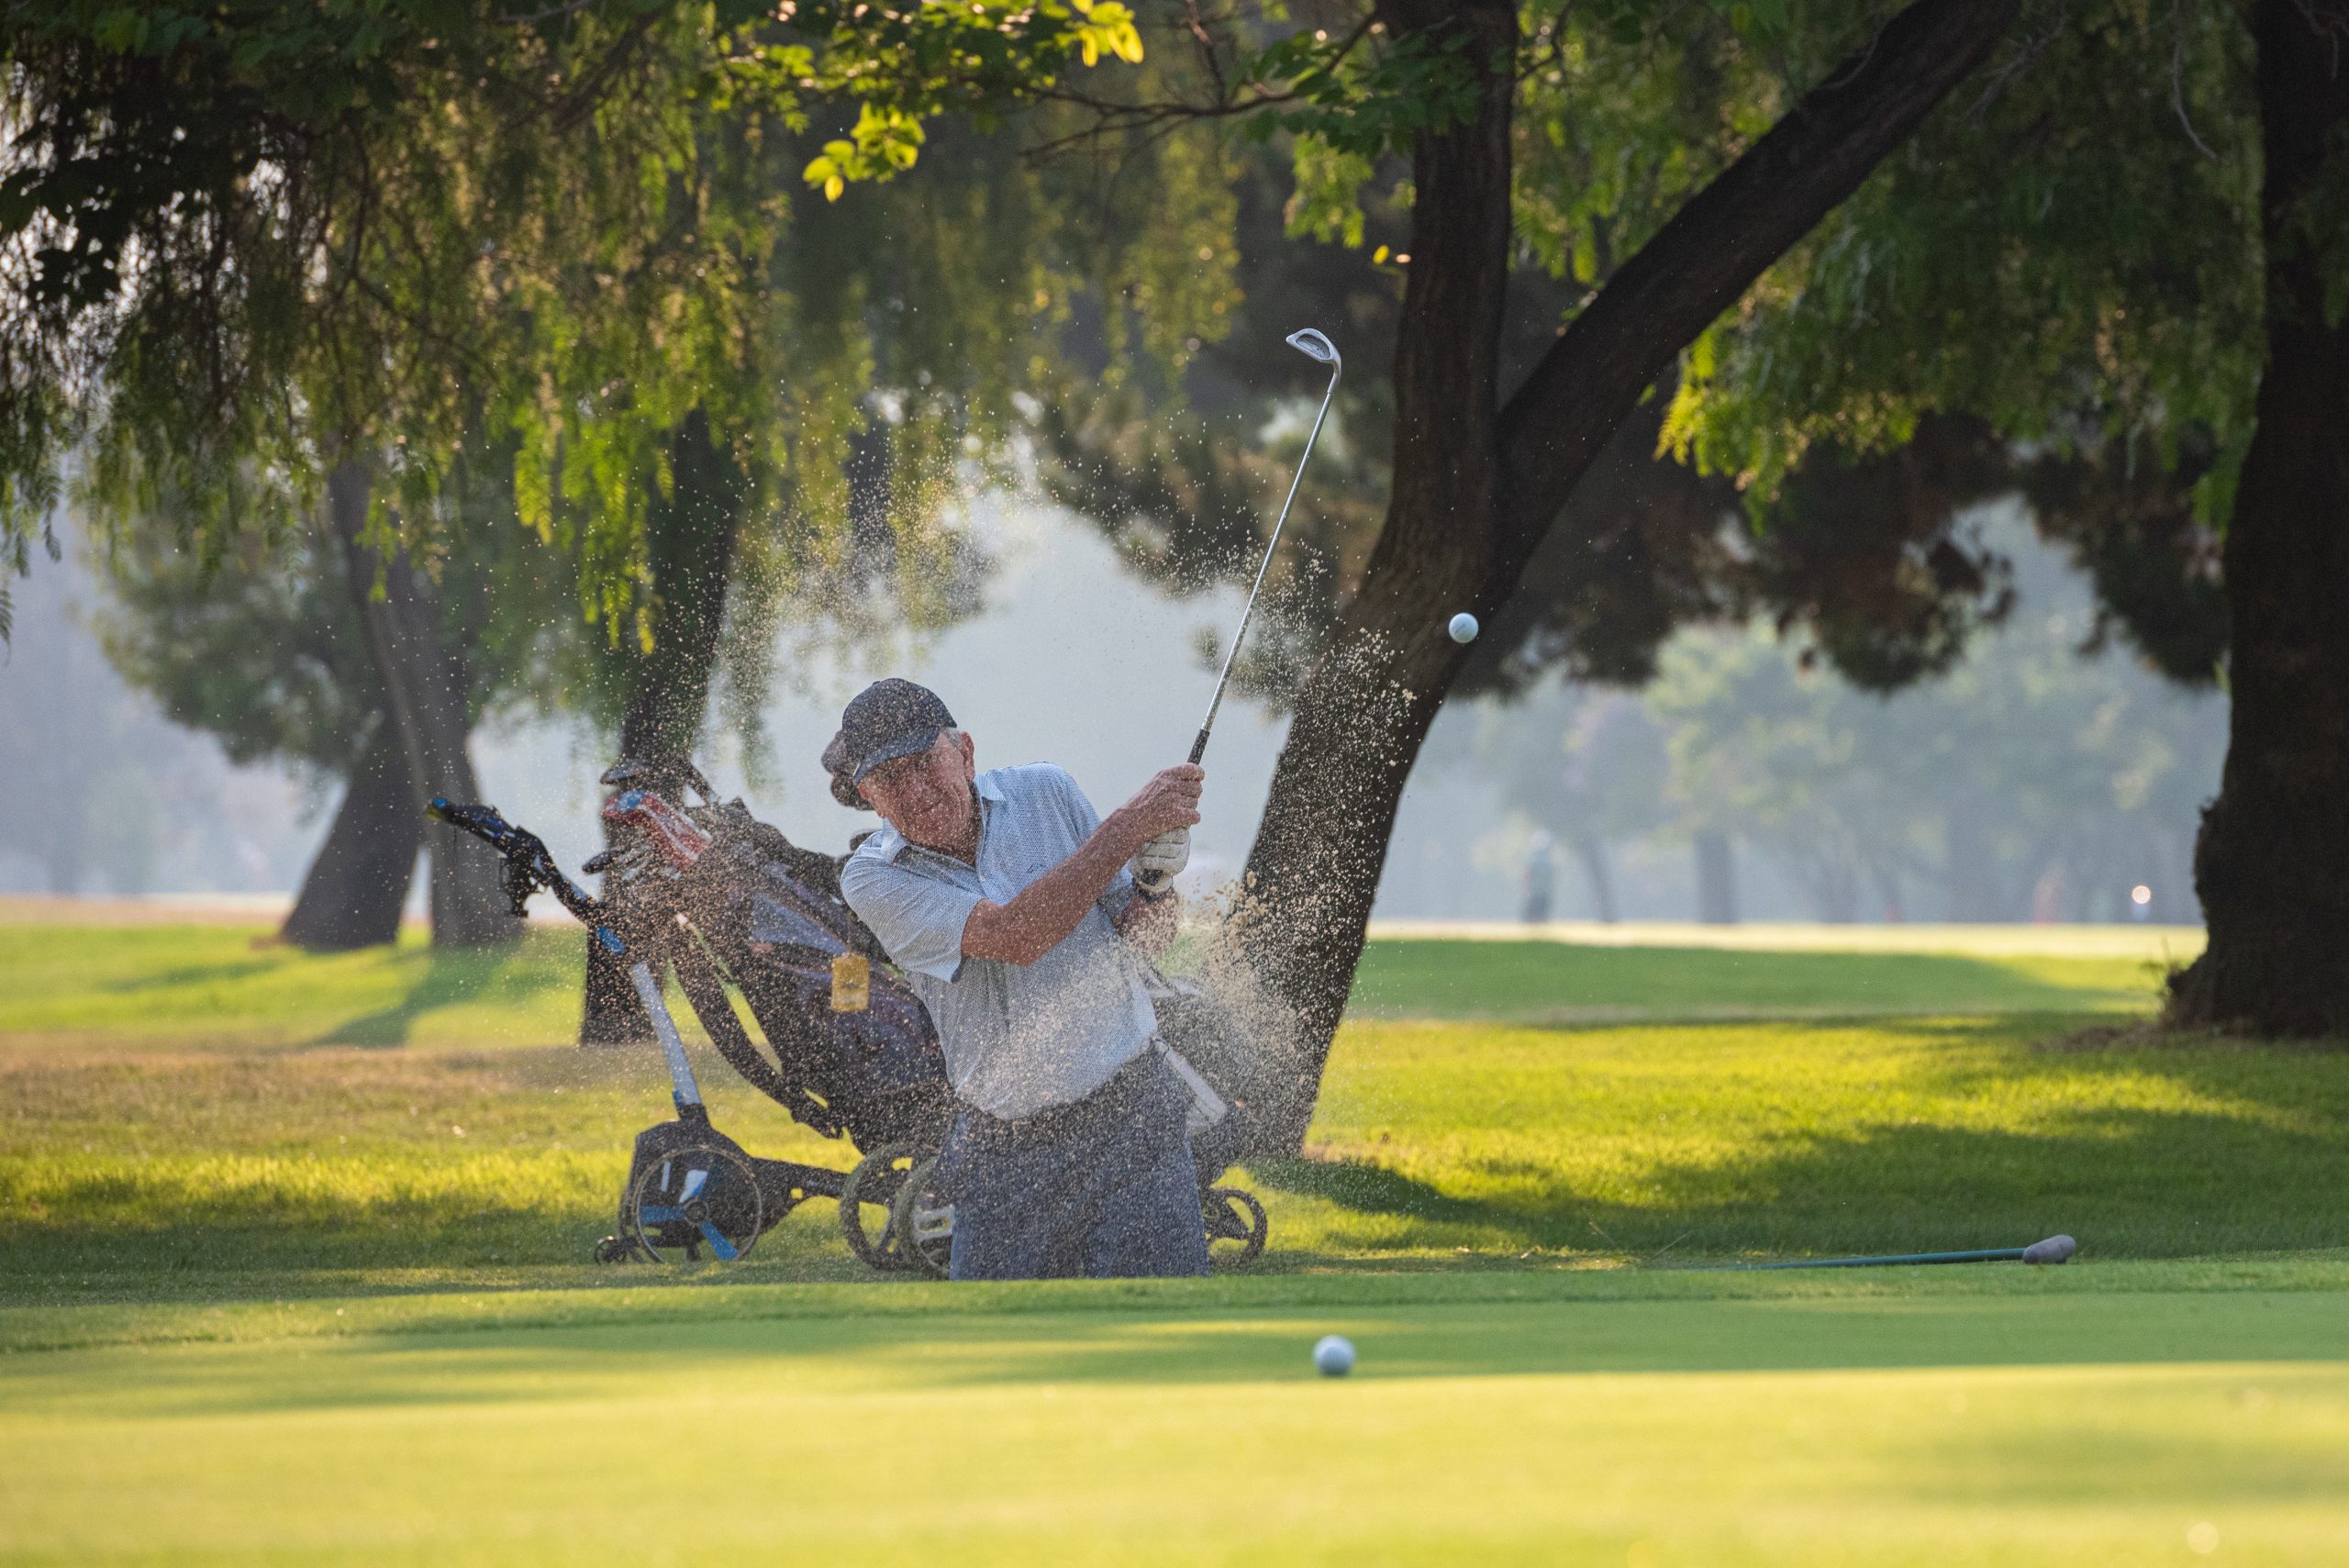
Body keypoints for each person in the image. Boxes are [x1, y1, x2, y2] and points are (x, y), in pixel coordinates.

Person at [829, 677, 1209, 1280]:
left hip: (1132, 1120)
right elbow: (1015, 937)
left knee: (1160, 1326)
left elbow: (1143, 937)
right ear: (869, 797)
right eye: (891, 778)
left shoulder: (1047, 791)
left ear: (965, 753)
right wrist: (1126, 828)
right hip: (1003, 1154)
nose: (917, 790)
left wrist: (1154, 884)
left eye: (925, 762)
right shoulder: (871, 879)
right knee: (993, 1335)